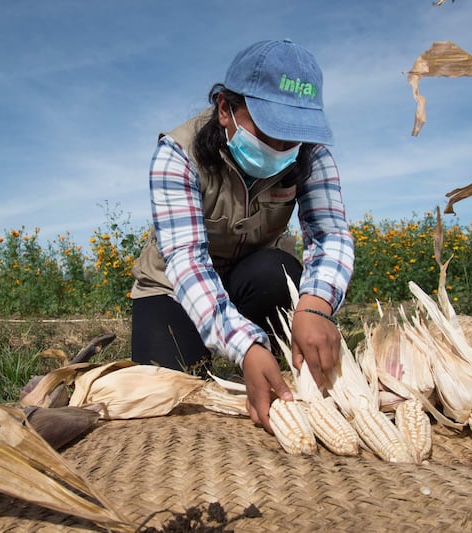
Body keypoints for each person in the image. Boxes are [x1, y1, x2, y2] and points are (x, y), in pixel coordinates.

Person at [130, 39, 354, 434]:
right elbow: (186, 260)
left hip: (250, 275)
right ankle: (248, 353)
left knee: (278, 273)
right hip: (174, 287)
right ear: (225, 110)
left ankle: (272, 359)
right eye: (269, 129)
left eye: (293, 135)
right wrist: (245, 345)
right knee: (169, 383)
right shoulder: (177, 154)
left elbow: (330, 236)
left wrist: (316, 306)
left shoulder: (311, 156)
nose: (281, 147)